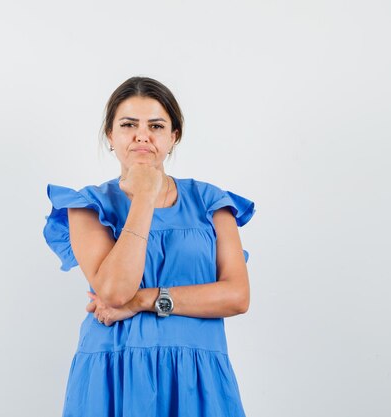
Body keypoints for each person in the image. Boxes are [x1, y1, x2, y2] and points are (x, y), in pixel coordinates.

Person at [42, 76, 256, 416]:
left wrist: (142, 301)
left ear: (173, 137)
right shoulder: (87, 205)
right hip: (115, 371)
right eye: (128, 125)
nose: (142, 135)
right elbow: (114, 291)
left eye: (156, 125)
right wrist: (144, 194)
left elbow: (237, 296)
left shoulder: (211, 202)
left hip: (197, 374)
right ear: (111, 136)